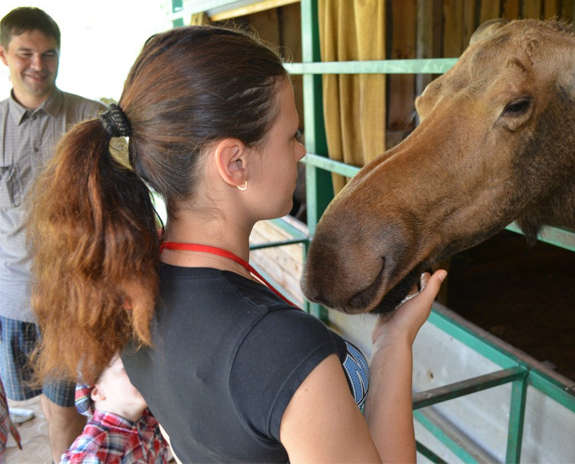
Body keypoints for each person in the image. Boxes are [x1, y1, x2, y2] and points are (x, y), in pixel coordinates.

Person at [27, 25, 447, 462]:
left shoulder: (134, 289)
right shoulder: (280, 349)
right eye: (293, 136)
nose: (301, 152)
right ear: (236, 162)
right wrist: (393, 345)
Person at [0, 6, 107, 462]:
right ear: (4, 55)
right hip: (12, 297)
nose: (38, 65)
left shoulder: (92, 120)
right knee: (32, 403)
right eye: (26, 53)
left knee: (67, 410)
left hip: (72, 299)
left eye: (49, 54)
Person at [60, 355, 168, 464]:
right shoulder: (92, 451)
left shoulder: (149, 417)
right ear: (98, 392)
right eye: (126, 368)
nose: (142, 374)